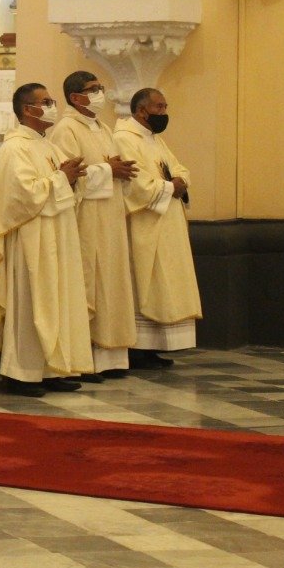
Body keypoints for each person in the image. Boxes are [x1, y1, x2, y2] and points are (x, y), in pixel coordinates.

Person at [0, 84, 94, 397]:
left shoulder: (47, 146)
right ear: (27, 110)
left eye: (52, 101)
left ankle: (50, 368)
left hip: (56, 233)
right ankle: (22, 374)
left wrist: (73, 178)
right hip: (32, 239)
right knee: (33, 303)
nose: (52, 106)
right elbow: (23, 196)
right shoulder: (14, 148)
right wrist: (62, 178)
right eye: (46, 102)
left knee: (57, 301)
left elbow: (62, 184)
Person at [50, 72, 140, 379]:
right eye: (93, 89)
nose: (100, 92)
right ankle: (86, 355)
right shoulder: (65, 130)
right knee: (90, 283)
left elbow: (114, 165)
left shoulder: (102, 127)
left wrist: (121, 169)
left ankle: (111, 356)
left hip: (110, 216)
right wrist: (108, 169)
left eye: (100, 87)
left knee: (112, 283)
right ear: (76, 98)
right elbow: (69, 178)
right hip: (85, 219)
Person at [114, 87, 202, 368]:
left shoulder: (154, 140)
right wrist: (169, 186)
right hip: (145, 225)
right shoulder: (124, 139)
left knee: (164, 285)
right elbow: (135, 185)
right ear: (141, 111)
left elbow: (180, 169)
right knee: (146, 283)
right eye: (159, 108)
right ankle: (138, 347)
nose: (164, 113)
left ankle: (154, 346)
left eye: (165, 107)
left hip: (166, 224)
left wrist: (179, 182)